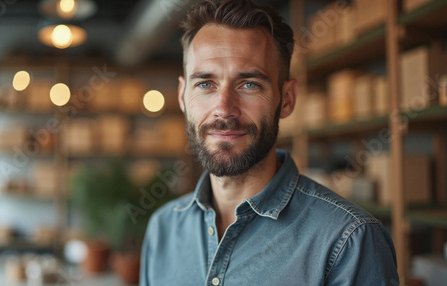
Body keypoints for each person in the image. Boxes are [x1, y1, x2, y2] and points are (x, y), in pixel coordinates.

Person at [140, 0, 399, 285]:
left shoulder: (349, 241)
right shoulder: (163, 228)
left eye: (249, 84)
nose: (224, 108)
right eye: (205, 84)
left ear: (286, 99)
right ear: (182, 96)